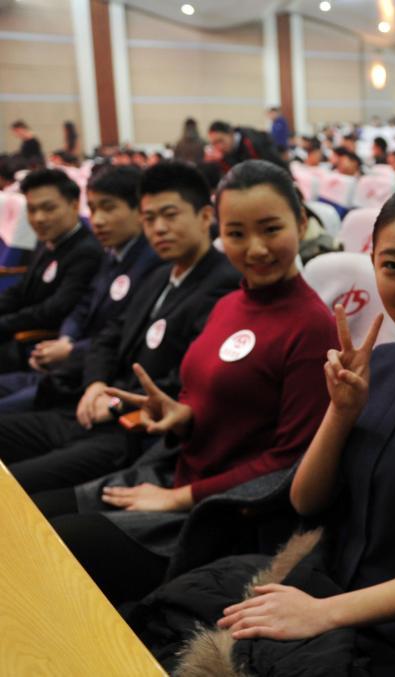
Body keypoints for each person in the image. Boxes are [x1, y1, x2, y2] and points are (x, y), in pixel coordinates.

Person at [128, 182, 395, 675]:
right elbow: (306, 501)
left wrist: (324, 613)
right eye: (392, 266)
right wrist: (340, 414)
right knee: (156, 621)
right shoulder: (374, 365)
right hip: (321, 580)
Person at [31, 160, 338, 605]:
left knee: (51, 544)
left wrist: (179, 499)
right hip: (173, 469)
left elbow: (288, 461)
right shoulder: (231, 302)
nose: (255, 249)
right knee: (28, 516)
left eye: (271, 229)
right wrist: (183, 413)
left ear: (302, 222)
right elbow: (207, 393)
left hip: (218, 514)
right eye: (236, 234)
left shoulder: (311, 326)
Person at [0, 162, 240, 494]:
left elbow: (187, 379)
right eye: (150, 218)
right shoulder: (161, 274)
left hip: (132, 432)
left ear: (204, 216)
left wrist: (116, 403)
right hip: (91, 408)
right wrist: (96, 384)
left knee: (13, 487)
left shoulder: (224, 285)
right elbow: (109, 336)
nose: (159, 228)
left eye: (170, 216)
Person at [0, 166, 160, 413]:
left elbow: (120, 330)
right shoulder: (109, 254)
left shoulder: (150, 262)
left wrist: (71, 349)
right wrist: (67, 338)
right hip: (63, 361)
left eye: (108, 208)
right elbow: (82, 305)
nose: (97, 220)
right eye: (94, 209)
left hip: (87, 374)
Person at [0, 170, 103, 373]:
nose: (38, 218)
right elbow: (21, 291)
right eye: (31, 210)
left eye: (49, 209)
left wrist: (3, 323)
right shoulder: (48, 242)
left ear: (74, 205)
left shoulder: (86, 251)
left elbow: (55, 310)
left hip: (40, 344)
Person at [207, 120, 286, 174]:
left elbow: (252, 173)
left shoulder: (253, 142)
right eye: (214, 143)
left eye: (220, 141)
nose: (218, 146)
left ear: (231, 134)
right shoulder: (224, 153)